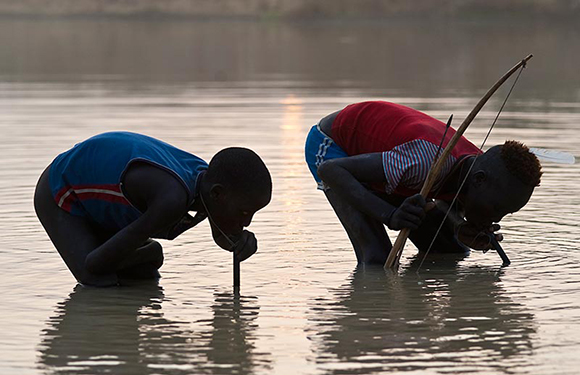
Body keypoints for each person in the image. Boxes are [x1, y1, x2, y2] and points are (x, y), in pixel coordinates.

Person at [305, 101, 542, 264]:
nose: (497, 219)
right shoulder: (425, 163)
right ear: (479, 181)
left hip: (393, 162)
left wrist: (460, 227)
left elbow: (447, 196)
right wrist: (390, 215)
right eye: (497, 209)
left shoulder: (478, 166)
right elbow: (331, 171)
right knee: (378, 258)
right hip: (334, 149)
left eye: (505, 213)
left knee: (450, 250)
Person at [34, 131, 272, 287]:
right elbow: (93, 264)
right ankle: (149, 251)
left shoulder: (207, 183)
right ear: (218, 194)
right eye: (243, 213)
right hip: (62, 189)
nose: (248, 222)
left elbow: (220, 233)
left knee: (143, 272)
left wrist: (235, 243)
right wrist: (150, 253)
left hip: (103, 204)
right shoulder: (172, 199)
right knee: (97, 279)